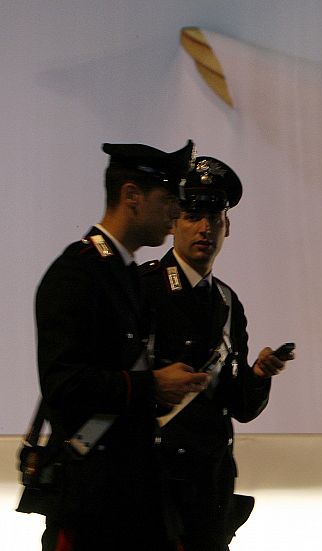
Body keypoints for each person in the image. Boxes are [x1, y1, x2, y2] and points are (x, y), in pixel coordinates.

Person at [19, 141, 211, 551]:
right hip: (93, 507)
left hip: (134, 498)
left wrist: (163, 389)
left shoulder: (124, 275)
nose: (176, 212)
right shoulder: (77, 274)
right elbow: (64, 386)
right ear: (131, 196)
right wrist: (151, 386)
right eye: (168, 199)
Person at [140, 155, 293, 550]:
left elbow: (239, 407)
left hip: (209, 491)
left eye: (214, 217)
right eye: (193, 216)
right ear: (173, 222)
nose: (204, 228)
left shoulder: (227, 301)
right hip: (153, 489)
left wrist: (258, 375)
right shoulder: (142, 289)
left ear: (228, 226)